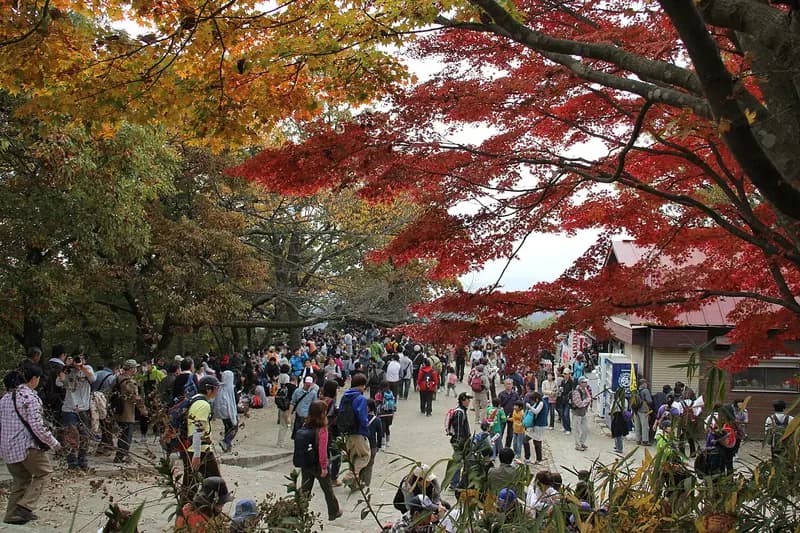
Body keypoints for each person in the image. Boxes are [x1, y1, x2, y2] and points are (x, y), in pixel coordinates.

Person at [0, 367, 61, 525]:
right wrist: (54, 443)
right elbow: (37, 427)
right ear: (34, 378)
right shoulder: (29, 397)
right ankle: (25, 507)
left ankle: (12, 515)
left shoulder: (5, 398)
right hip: (26, 446)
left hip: (7, 448)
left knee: (21, 479)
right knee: (44, 473)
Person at [294, 400, 343, 521]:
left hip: (306, 463)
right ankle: (334, 511)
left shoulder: (305, 425)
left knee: (305, 489)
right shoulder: (322, 429)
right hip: (318, 465)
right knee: (327, 489)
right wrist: (324, 467)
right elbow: (322, 451)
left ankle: (299, 512)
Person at [184, 376, 222, 501]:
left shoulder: (194, 400)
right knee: (216, 485)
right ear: (209, 389)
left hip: (192, 448)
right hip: (201, 450)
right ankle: (208, 513)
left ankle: (184, 514)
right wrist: (196, 454)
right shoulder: (203, 405)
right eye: (216, 388)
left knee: (190, 486)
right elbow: (198, 429)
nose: (218, 391)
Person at [56, 352, 96, 470]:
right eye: (76, 358)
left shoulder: (87, 368)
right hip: (69, 408)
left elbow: (92, 378)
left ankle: (83, 460)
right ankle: (72, 463)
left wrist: (81, 366)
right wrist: (66, 368)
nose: (78, 360)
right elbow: (58, 383)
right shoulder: (67, 370)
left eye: (81, 358)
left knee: (84, 435)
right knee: (71, 436)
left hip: (83, 408)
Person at [338, 373, 371, 488]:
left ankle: (355, 484)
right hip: (358, 431)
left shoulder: (345, 396)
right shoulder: (360, 398)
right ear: (361, 385)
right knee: (364, 456)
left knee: (353, 457)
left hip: (348, 431)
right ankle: (350, 476)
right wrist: (366, 425)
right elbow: (362, 416)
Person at [114, 359, 146, 464]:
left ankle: (120, 455)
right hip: (127, 412)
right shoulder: (129, 382)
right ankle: (121, 456)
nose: (136, 369)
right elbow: (136, 397)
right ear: (131, 369)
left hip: (118, 410)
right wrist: (143, 409)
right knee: (127, 435)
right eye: (135, 367)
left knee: (122, 434)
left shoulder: (118, 378)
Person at [447, 392, 471, 490]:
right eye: (467, 399)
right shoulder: (460, 413)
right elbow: (458, 429)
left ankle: (459, 482)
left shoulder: (462, 411)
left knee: (462, 462)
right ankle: (454, 484)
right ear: (463, 400)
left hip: (462, 441)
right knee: (458, 462)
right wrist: (460, 443)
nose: (469, 401)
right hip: (460, 442)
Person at [213, 370, 238, 453]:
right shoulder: (231, 388)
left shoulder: (220, 387)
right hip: (230, 411)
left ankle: (227, 446)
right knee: (234, 427)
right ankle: (226, 441)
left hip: (222, 412)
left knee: (227, 427)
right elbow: (236, 399)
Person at [361, 399, 384, 487]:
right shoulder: (377, 420)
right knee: (369, 465)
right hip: (372, 446)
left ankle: (359, 482)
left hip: (362, 445)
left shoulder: (361, 418)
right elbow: (380, 434)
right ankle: (366, 484)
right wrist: (378, 446)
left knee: (360, 463)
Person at [526, 391, 548, 463]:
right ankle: (538, 458)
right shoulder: (538, 402)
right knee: (536, 441)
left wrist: (529, 407)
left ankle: (537, 458)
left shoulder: (541, 403)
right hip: (537, 424)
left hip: (540, 425)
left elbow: (536, 411)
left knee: (536, 441)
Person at [571, 376, 592, 451]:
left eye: (586, 382)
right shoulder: (576, 392)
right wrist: (587, 401)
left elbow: (590, 398)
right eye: (584, 382)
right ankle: (577, 445)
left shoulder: (585, 390)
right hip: (577, 413)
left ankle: (581, 442)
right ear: (580, 383)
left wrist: (587, 399)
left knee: (586, 429)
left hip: (583, 413)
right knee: (576, 430)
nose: (586, 383)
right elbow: (579, 404)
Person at [633, 379, 653, 446]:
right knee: (644, 426)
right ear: (644, 384)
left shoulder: (636, 391)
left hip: (636, 410)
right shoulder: (645, 391)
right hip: (643, 410)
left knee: (637, 426)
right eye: (646, 383)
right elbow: (649, 400)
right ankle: (645, 441)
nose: (647, 384)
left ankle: (638, 440)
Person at [610, 388, 629, 454]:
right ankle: (618, 446)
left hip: (616, 416)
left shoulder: (615, 401)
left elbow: (611, 408)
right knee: (619, 433)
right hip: (622, 418)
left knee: (617, 432)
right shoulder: (625, 401)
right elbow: (625, 409)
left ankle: (619, 448)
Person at [559, 368, 574, 434]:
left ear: (569, 374)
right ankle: (565, 427)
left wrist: (571, 399)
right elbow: (561, 389)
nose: (565, 375)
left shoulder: (571, 382)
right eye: (564, 374)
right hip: (562, 399)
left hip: (568, 399)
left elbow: (572, 391)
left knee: (566, 414)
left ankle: (568, 428)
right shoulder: (562, 381)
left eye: (566, 374)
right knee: (562, 414)